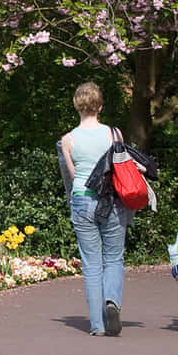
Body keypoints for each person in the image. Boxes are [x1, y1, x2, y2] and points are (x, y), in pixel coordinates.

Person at [58, 82, 131, 336]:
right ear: (100, 106)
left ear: (76, 106)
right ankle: (112, 301)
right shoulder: (115, 134)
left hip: (82, 199)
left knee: (91, 264)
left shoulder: (68, 140)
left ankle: (97, 325)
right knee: (114, 258)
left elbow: (73, 175)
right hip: (111, 200)